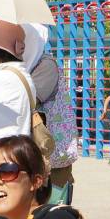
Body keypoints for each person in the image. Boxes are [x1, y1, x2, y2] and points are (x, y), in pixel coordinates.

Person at [22, 22, 79, 204]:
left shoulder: (45, 65)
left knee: (50, 207)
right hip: (38, 152)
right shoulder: (29, 66)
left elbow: (27, 101)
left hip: (50, 151)